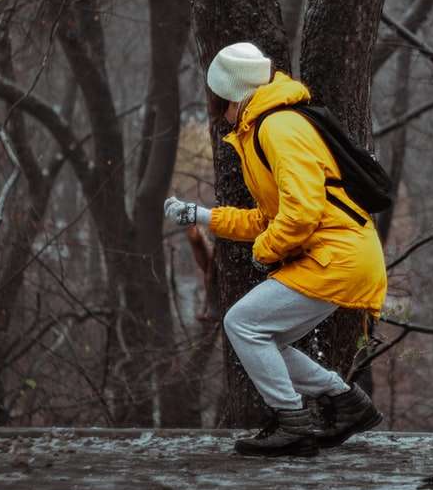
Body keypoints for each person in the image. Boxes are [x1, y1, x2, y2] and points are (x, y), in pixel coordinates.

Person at [164, 42, 387, 458]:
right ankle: (347, 404)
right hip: (340, 254)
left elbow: (301, 214)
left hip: (335, 256)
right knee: (265, 337)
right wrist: (202, 216)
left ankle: (293, 424)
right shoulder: (263, 126)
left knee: (243, 324)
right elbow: (269, 219)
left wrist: (265, 251)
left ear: (226, 93)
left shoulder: (277, 127)